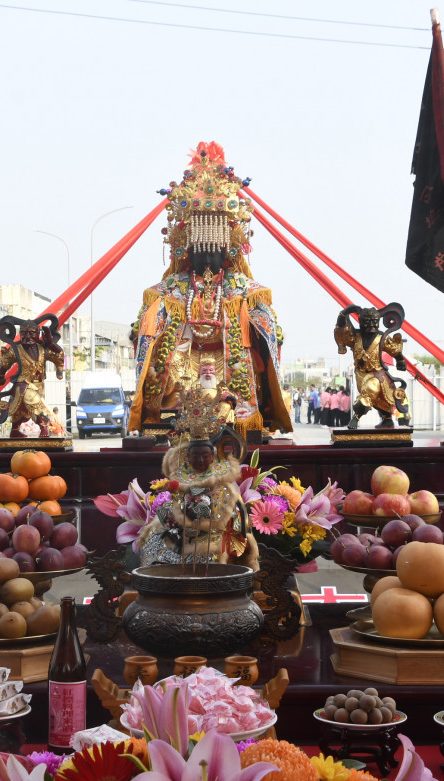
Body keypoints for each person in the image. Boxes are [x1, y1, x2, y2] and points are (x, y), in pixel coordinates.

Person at [128, 142, 292, 439]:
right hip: (186, 366)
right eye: (200, 249)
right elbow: (150, 326)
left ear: (227, 249)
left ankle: (241, 411)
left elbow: (267, 325)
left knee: (246, 369)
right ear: (186, 248)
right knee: (165, 369)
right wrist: (149, 324)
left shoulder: (244, 289)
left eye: (213, 249)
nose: (207, 258)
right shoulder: (170, 289)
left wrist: (259, 320)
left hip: (227, 364)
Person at [134, 387, 258, 570]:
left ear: (213, 456)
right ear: (187, 457)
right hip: (180, 529)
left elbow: (231, 513)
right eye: (196, 456)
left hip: (214, 530)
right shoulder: (181, 475)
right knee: (157, 531)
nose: (200, 460)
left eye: (205, 456)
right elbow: (173, 505)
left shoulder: (221, 480)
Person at [334, 306, 408, 429]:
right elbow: (342, 328)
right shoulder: (355, 337)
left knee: (369, 392)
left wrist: (400, 360)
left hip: (377, 375)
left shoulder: (381, 338)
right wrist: (345, 313)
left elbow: (394, 350)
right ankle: (387, 420)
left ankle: (356, 418)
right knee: (378, 400)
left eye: (374, 322)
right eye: (367, 322)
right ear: (361, 322)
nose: (371, 325)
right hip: (360, 374)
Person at [0, 318, 65, 438]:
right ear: (20, 334)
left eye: (32, 333)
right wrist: (1, 376)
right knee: (34, 403)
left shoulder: (42, 349)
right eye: (24, 333)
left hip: (39, 385)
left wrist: (51, 343)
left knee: (22, 409)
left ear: (38, 334)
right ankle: (43, 427)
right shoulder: (16, 350)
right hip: (23, 384)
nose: (28, 336)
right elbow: (5, 362)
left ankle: (15, 430)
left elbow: (58, 355)